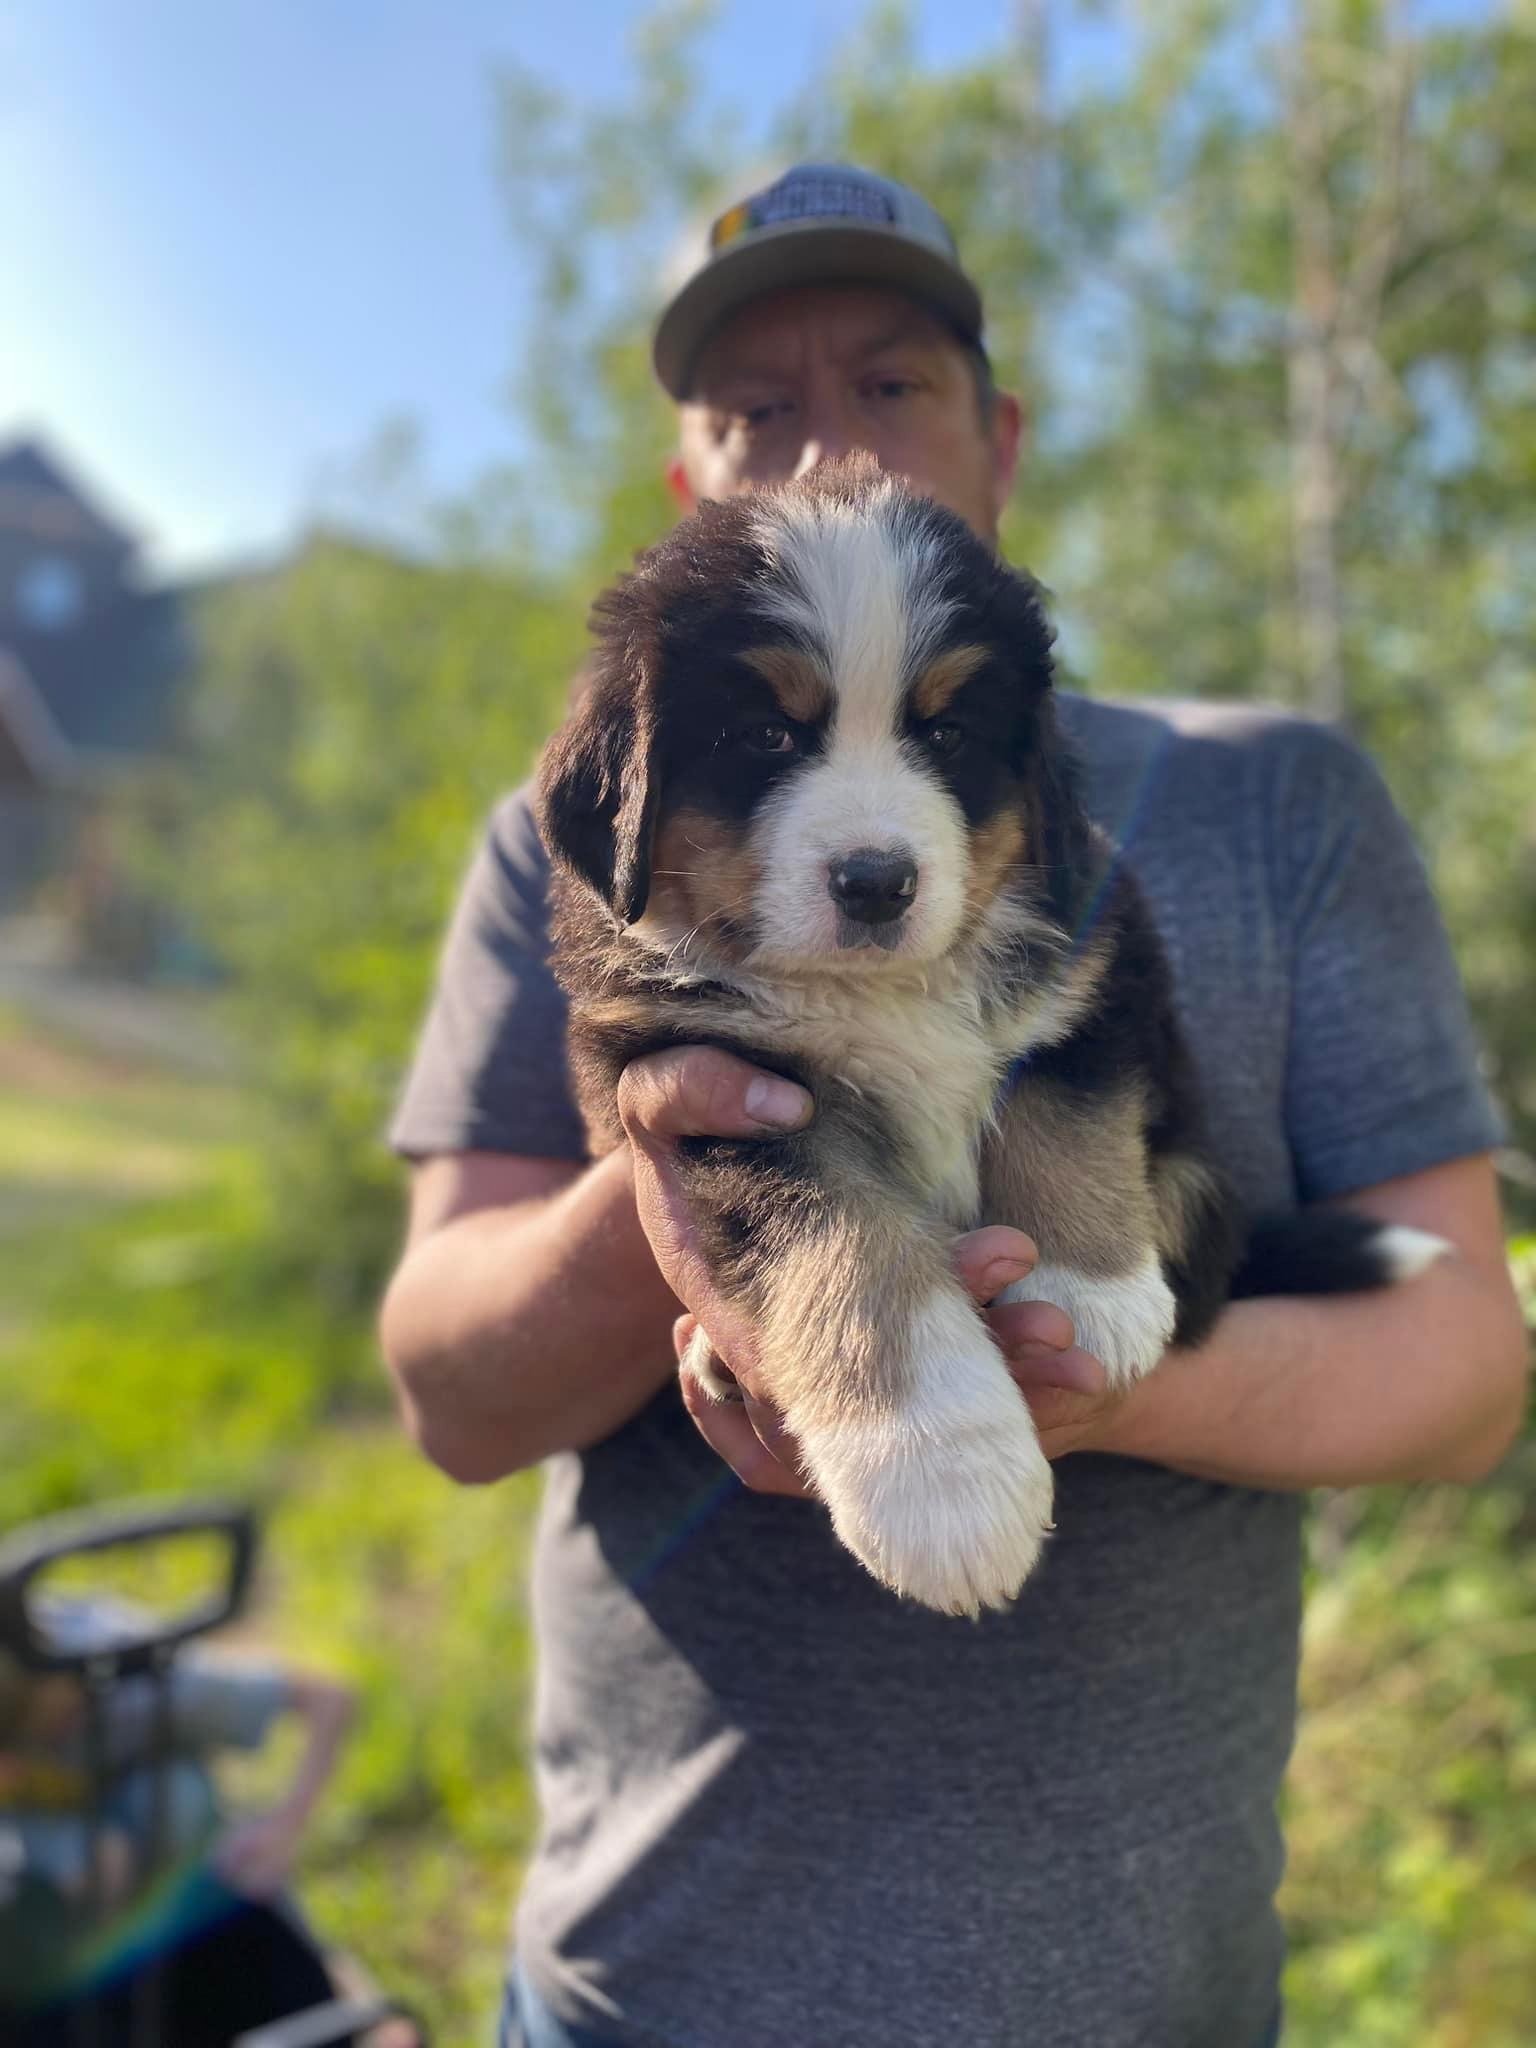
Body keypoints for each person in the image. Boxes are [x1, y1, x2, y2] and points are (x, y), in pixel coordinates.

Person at [379, 164, 1528, 2048]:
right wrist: (688, 1200)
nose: (829, 438)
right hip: (647, 1981)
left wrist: (1110, 1374)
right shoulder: (560, 847)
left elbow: (1469, 1359)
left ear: (998, 438)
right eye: (754, 407)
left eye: (893, 383)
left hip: (1145, 1993)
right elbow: (443, 1383)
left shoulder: (1272, 805)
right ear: (694, 489)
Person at [0, 1591, 355, 2040]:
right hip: (51, 1857)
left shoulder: (154, 1688)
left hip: (174, 1860)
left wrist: (285, 1828)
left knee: (178, 1799)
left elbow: (329, 1697)